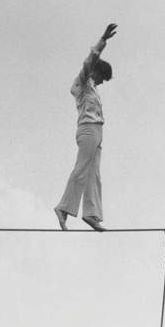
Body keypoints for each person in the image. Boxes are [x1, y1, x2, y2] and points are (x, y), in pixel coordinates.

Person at [54, 23, 117, 232]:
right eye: (101, 77)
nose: (101, 82)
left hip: (97, 131)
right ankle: (63, 208)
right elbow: (89, 60)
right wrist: (103, 40)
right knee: (81, 169)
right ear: (95, 72)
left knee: (94, 174)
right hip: (88, 129)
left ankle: (91, 214)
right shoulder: (82, 82)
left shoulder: (94, 90)